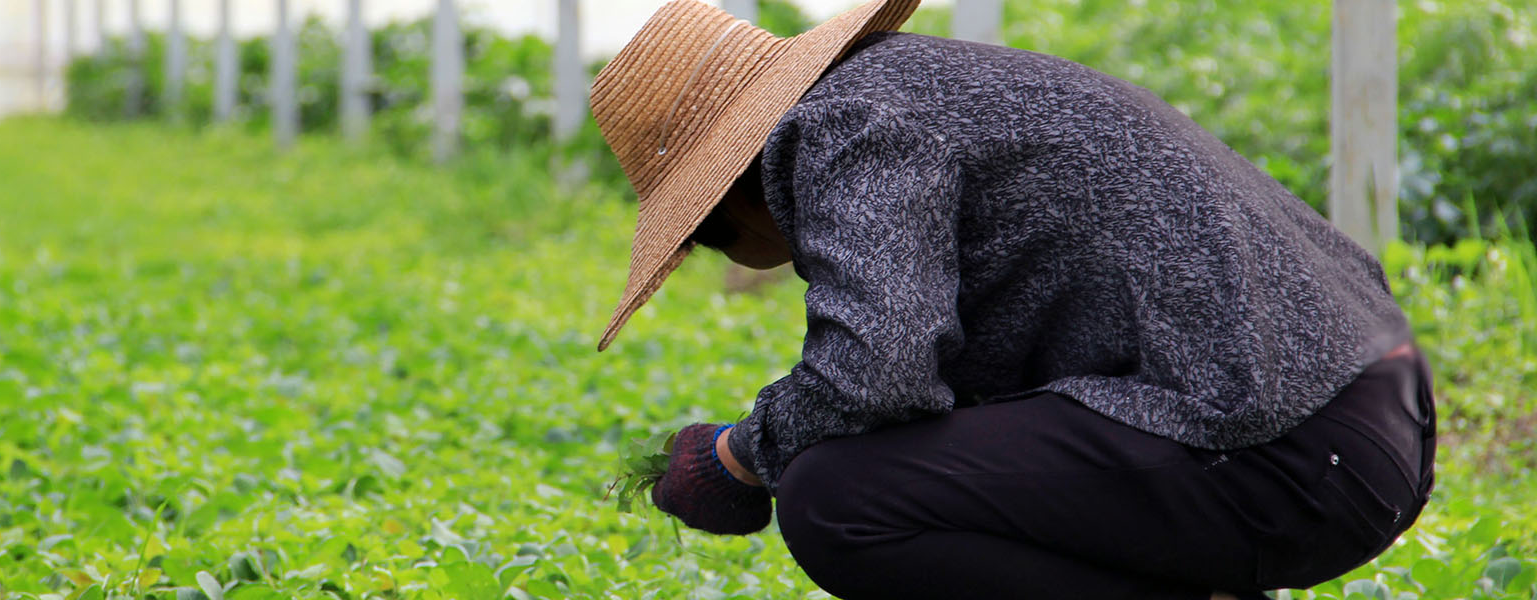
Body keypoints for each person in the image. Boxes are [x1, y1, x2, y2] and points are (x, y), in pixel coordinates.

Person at [585, 1, 1436, 598]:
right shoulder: (907, 85)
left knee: (838, 502)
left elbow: (878, 370)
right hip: (1363, 409)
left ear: (731, 200)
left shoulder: (847, 125)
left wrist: (740, 454)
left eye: (704, 237)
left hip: (1294, 449)